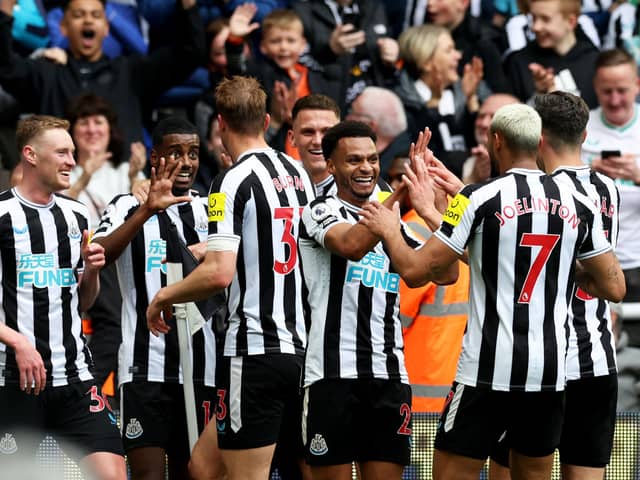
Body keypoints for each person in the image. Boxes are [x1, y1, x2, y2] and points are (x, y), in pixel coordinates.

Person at [359, 103, 625, 479]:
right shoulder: (579, 202)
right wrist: (562, 270)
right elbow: (614, 286)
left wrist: (388, 227)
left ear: (496, 140)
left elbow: (418, 271)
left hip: (486, 371)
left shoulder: (475, 197)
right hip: (548, 373)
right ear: (537, 142)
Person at [146, 76, 315, 480]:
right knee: (204, 467)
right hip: (301, 349)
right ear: (268, 119)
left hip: (254, 348)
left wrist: (163, 297)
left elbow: (220, 274)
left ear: (219, 123)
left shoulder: (230, 181)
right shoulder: (299, 174)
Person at [298, 121, 442, 480]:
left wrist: (431, 208)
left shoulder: (392, 223)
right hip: (332, 375)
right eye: (354, 160)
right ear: (331, 165)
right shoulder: (318, 211)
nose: (366, 168)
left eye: (373, 159)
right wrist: (398, 193)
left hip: (389, 376)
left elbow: (443, 273)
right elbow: (352, 246)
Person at [91, 117, 220, 480]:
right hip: (143, 366)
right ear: (155, 157)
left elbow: (236, 258)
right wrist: (147, 208)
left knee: (192, 473)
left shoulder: (210, 208)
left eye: (193, 153)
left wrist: (205, 249)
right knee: (147, 474)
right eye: (175, 152)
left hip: (201, 366)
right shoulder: (125, 205)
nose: (187, 161)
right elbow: (98, 252)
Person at [0, 115, 126, 480]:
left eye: (73, 152)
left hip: (75, 376)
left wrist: (93, 271)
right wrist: (17, 342)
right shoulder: (3, 215)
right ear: (31, 155)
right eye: (62, 152)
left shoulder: (77, 215)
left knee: (113, 474)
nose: (72, 161)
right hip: (14, 380)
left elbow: (85, 302)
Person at [0, 0, 204, 147]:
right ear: (63, 27)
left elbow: (191, 53)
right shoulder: (47, 73)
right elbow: (6, 67)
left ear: (106, 27)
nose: (88, 20)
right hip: (62, 193)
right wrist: (5, 12)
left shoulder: (131, 72)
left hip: (125, 189)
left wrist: (188, 5)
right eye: (79, 15)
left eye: (96, 15)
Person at [580, 48, 640, 411]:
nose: (615, 100)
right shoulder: (582, 131)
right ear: (596, 89)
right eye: (607, 92)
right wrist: (591, 175)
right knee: (607, 373)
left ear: (637, 84)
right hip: (596, 262)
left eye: (622, 90)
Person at [386, 153, 470, 414]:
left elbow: (396, 319)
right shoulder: (466, 224)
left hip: (417, 393)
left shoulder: (412, 230)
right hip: (458, 387)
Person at [503, 0, 599, 108]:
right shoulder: (519, 62)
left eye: (545, 19)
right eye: (533, 18)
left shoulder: (595, 62)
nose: (536, 27)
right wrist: (539, 93)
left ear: (571, 22)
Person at [346, 86, 412, 178]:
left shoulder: (396, 171)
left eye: (352, 112)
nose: (347, 118)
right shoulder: (402, 148)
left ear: (369, 126)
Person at [462, 92, 519, 184]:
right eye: (481, 116)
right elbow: (456, 199)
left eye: (494, 117)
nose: (484, 123)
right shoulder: (458, 163)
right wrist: (471, 180)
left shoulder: (536, 167)